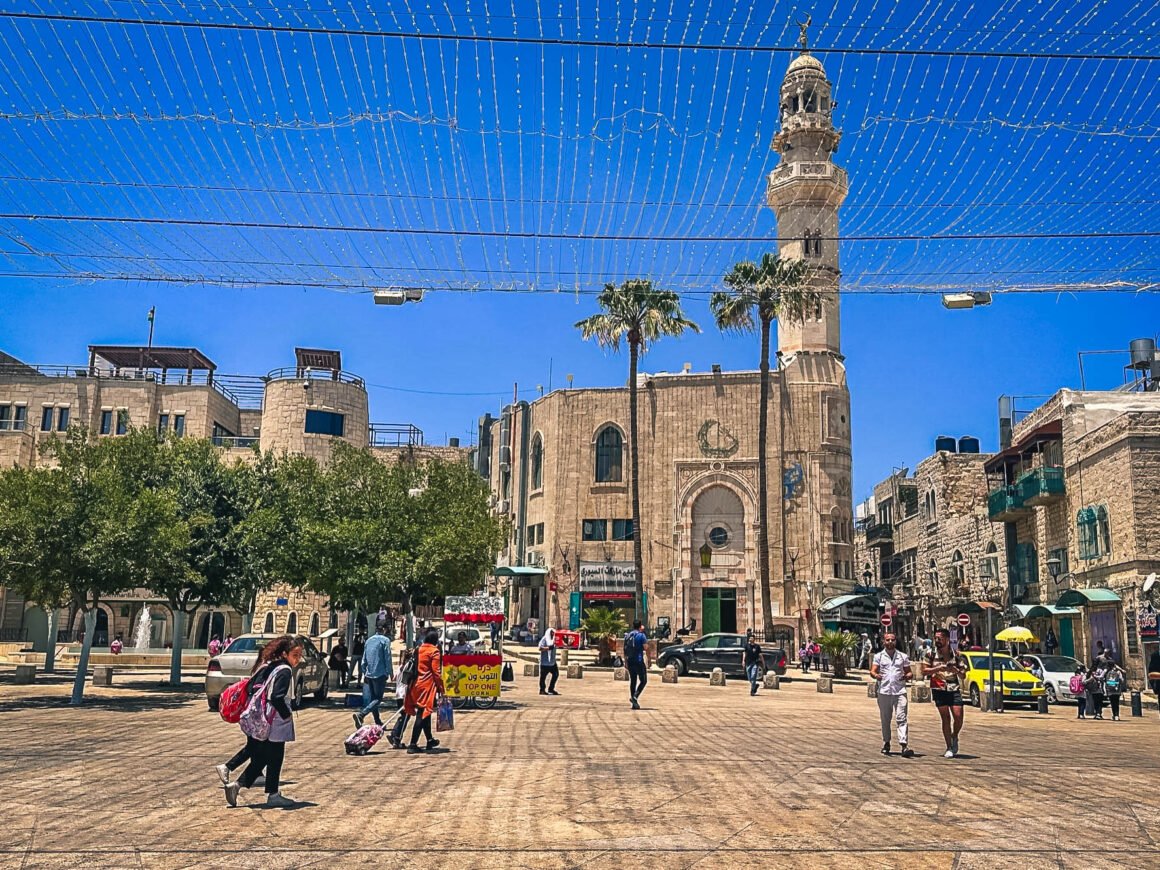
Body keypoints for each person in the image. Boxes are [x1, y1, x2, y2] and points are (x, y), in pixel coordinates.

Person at [223, 634, 301, 808]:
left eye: (299, 655)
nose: (298, 659)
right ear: (284, 654)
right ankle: (271, 795)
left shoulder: (273, 667)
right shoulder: (285, 670)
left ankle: (238, 786)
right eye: (295, 655)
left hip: (267, 717)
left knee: (265, 757)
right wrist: (286, 715)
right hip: (276, 720)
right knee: (274, 757)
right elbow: (276, 696)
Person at [925, 628, 968, 758]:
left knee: (958, 716)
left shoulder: (956, 654)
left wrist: (956, 671)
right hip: (939, 688)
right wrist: (938, 668)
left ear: (947, 640)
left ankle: (954, 735)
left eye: (940, 638)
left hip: (953, 688)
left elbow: (963, 675)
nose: (937, 641)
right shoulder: (930, 654)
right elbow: (924, 671)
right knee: (945, 718)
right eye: (936, 638)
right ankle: (949, 746)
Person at [404, 628, 446, 753]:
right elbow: (436, 673)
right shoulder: (434, 652)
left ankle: (430, 740)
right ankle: (412, 744)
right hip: (426, 687)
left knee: (425, 713)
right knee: (422, 714)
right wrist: (441, 688)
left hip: (415, 685)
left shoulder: (419, 649)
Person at [871, 632, 913, 757]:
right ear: (883, 642)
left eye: (892, 640)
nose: (890, 642)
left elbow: (909, 672)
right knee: (885, 719)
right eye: (888, 640)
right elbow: (873, 670)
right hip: (884, 691)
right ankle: (886, 743)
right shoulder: (879, 656)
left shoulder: (903, 656)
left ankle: (904, 745)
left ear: (896, 641)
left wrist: (906, 676)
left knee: (901, 717)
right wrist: (876, 675)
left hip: (899, 691)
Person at [353, 620, 394, 730]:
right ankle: (361, 714)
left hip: (369, 674)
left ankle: (377, 721)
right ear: (384, 629)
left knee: (373, 699)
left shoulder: (369, 640)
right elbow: (387, 657)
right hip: (380, 674)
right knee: (377, 699)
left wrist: (364, 671)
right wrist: (390, 672)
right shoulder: (385, 641)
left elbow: (364, 659)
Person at [623, 619, 651, 710]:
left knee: (633, 681)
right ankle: (635, 697)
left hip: (630, 661)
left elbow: (624, 649)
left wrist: (625, 661)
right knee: (643, 680)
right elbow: (646, 648)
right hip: (638, 661)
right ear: (640, 626)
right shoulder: (641, 635)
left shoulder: (628, 636)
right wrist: (649, 659)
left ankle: (634, 703)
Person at [538, 628, 560, 695]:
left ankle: (551, 689)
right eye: (551, 633)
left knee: (556, 674)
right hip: (545, 662)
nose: (552, 634)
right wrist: (548, 648)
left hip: (552, 662)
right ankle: (542, 690)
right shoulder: (544, 639)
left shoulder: (554, 639)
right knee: (543, 677)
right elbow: (540, 648)